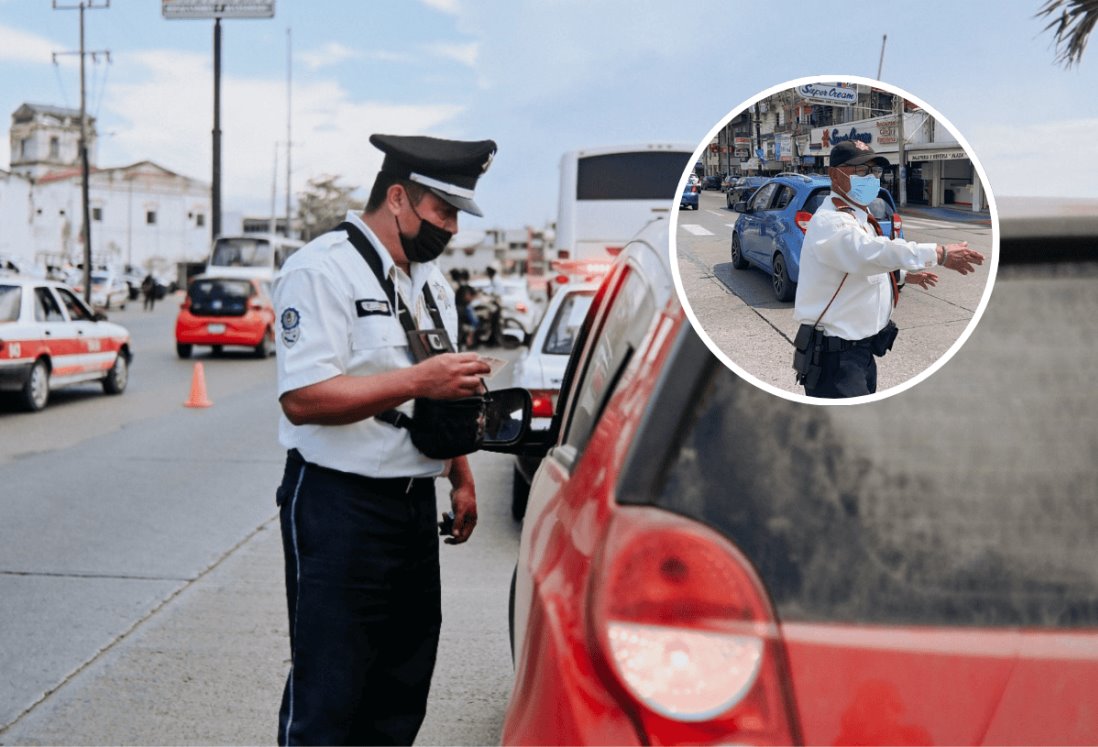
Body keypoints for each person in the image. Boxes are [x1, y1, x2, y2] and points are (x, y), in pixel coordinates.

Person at [271, 133, 497, 745]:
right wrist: (418, 378)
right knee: (329, 692)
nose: (450, 228)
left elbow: (441, 391)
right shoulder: (322, 269)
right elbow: (304, 398)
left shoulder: (432, 284)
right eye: (442, 211)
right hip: (337, 504)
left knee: (401, 687)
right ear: (398, 197)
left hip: (410, 508)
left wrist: (461, 474)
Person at [792, 140, 984, 399]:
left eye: (875, 171)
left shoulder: (858, 217)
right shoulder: (830, 221)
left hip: (860, 355)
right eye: (861, 171)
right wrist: (938, 253)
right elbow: (867, 253)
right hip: (834, 361)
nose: (871, 178)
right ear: (835, 175)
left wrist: (903, 276)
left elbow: (862, 269)